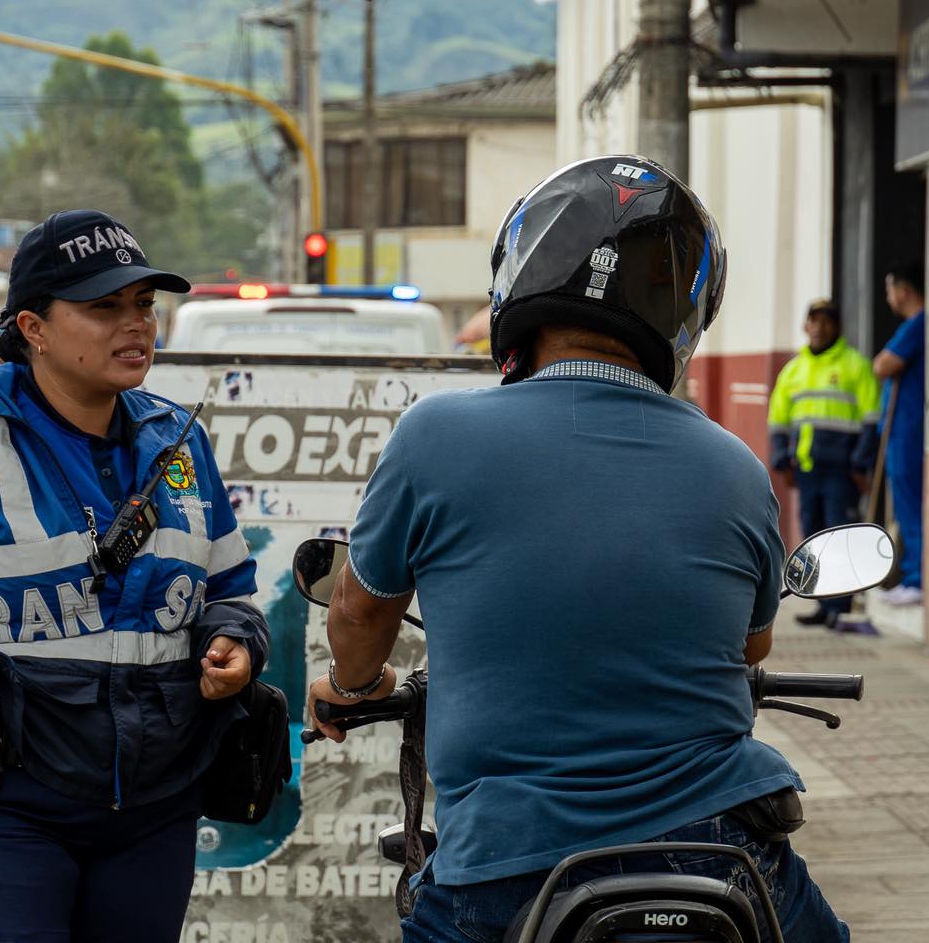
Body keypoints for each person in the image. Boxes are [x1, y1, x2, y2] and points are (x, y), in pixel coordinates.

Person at [308, 156, 848, 943]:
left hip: (501, 868)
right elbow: (748, 644)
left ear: (521, 284)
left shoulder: (435, 436)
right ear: (681, 313)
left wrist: (353, 688)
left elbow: (357, 612)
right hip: (718, 850)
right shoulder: (736, 466)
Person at [0, 209, 269, 941]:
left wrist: (235, 642)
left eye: (143, 306)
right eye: (103, 308)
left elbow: (231, 595)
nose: (136, 326)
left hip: (152, 814)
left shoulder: (178, 445)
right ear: (32, 327)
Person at [767, 299, 880, 627]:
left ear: (837, 327)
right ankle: (821, 605)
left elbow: (871, 420)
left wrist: (860, 465)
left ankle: (839, 609)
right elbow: (778, 420)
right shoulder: (794, 370)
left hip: (841, 472)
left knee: (839, 536)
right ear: (805, 327)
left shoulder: (855, 365)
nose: (819, 327)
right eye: (813, 321)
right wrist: (781, 461)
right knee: (814, 538)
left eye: (826, 321)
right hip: (806, 470)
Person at [873, 263, 925, 606]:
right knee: (904, 502)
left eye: (890, 289)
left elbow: (883, 365)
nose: (889, 297)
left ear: (902, 290)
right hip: (900, 430)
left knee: (909, 503)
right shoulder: (914, 325)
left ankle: (916, 577)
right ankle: (911, 573)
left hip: (908, 430)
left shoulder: (919, 323)